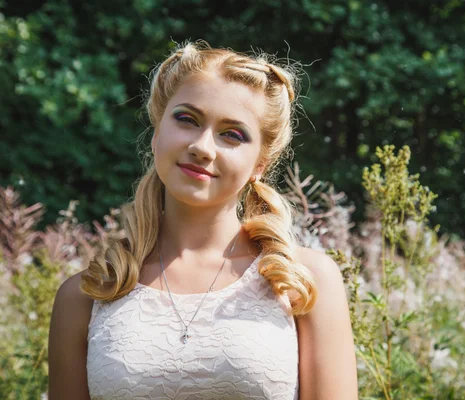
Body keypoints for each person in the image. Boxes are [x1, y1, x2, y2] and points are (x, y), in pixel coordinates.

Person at [47, 40, 358, 399]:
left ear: (260, 164)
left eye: (232, 134)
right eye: (187, 119)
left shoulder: (302, 283)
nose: (202, 147)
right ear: (157, 131)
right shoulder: (87, 295)